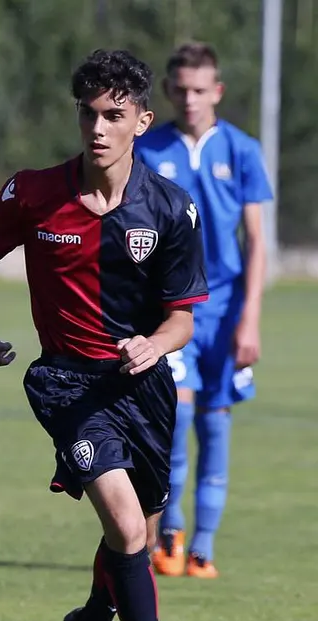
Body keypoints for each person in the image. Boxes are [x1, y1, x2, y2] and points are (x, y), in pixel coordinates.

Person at [0, 50, 203, 621]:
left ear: (142, 122)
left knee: (139, 535)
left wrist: (154, 344)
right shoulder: (34, 193)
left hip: (144, 387)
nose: (98, 127)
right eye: (89, 114)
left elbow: (182, 317)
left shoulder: (169, 207)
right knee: (127, 528)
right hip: (67, 384)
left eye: (113, 115)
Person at [135, 43, 273, 579]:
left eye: (200, 90)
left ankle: (204, 547)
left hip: (227, 309)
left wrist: (250, 318)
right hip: (173, 308)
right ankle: (169, 535)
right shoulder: (149, 148)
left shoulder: (241, 150)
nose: (189, 99)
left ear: (216, 91)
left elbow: (256, 241)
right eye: (181, 89)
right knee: (177, 419)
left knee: (216, 424)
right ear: (169, 91)